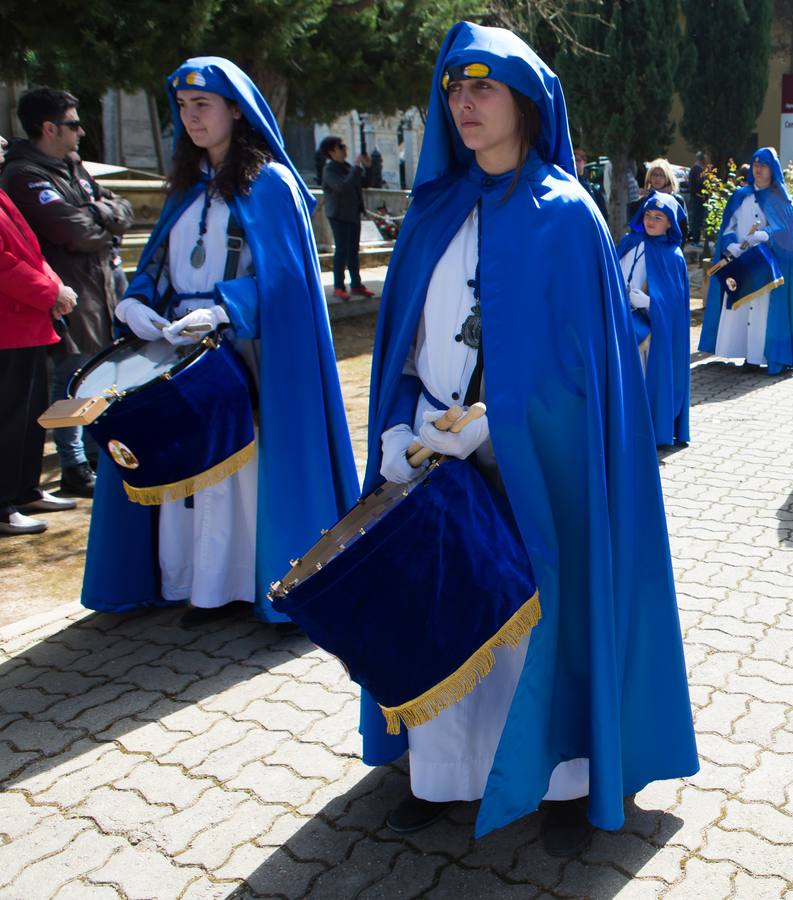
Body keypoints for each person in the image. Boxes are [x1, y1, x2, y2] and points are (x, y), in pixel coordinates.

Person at [359, 22, 698, 853]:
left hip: (529, 463)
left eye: (483, 88)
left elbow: (587, 372)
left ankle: (554, 781)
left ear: (526, 102)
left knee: (532, 613)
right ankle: (442, 778)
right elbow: (404, 339)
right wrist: (401, 423)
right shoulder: (434, 210)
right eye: (453, 91)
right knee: (438, 611)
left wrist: (497, 423)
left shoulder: (566, 214)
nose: (464, 105)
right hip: (433, 453)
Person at [85, 58, 358, 626]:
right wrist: (137, 302)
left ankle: (236, 586)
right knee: (183, 465)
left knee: (239, 471)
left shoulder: (273, 186)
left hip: (244, 355)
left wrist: (223, 309)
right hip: (176, 355)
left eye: (202, 105)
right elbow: (155, 263)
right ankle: (191, 583)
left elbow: (286, 283)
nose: (191, 117)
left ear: (235, 109)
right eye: (183, 108)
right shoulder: (186, 188)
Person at [1, 87, 136, 497]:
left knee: (95, 371)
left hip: (95, 283)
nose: (80, 133)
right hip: (65, 290)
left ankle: (94, 454)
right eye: (74, 125)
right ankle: (73, 462)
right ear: (49, 127)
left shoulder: (72, 165)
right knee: (72, 373)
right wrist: (100, 218)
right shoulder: (25, 175)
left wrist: (98, 213)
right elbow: (70, 229)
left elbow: (122, 210)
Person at [0, 133, 78, 536]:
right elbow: (4, 265)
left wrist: (53, 284)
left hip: (27, 323)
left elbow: (29, 251)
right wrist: (51, 290)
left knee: (30, 416)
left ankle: (25, 488)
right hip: (7, 326)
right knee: (7, 418)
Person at [696, 147, 793, 374]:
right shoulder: (740, 196)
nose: (758, 169)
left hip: (765, 266)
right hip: (741, 261)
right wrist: (731, 244)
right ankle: (743, 352)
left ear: (772, 169)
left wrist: (766, 235)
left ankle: (758, 356)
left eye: (763, 165)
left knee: (761, 310)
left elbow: (784, 231)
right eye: (755, 164)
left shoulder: (781, 200)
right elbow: (728, 227)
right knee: (741, 306)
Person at [619, 191, 690, 446]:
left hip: (649, 334)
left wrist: (648, 303)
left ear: (669, 222)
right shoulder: (629, 243)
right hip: (622, 324)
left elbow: (674, 308)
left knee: (644, 378)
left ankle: (647, 428)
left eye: (658, 217)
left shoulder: (673, 256)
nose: (650, 221)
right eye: (648, 215)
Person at [318, 136, 376, 300]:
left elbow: (364, 183)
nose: (345, 150)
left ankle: (356, 285)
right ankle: (338, 286)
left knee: (353, 252)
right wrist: (356, 167)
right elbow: (342, 186)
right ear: (331, 151)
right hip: (338, 215)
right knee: (341, 251)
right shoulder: (329, 170)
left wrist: (369, 168)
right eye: (341, 147)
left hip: (352, 214)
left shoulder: (347, 167)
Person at [641, 157, 688, 241]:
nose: (657, 178)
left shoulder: (677, 200)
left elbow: (683, 229)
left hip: (669, 246)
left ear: (668, 177)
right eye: (654, 174)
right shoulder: (646, 200)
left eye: (661, 175)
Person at [572, 147, 608, 221]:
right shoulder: (568, 183)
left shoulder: (590, 188)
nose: (575, 164)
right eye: (573, 161)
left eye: (578, 160)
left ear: (584, 162)